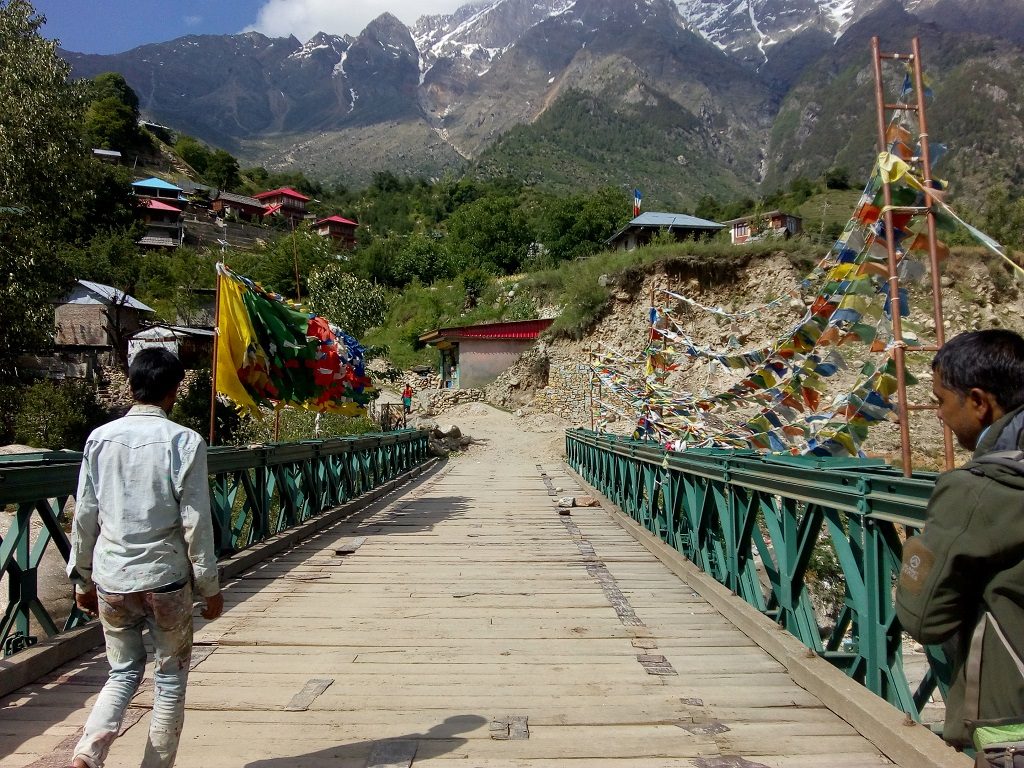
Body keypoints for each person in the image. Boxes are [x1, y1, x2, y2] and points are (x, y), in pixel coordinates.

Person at [67, 348, 223, 768]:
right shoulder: (185, 442)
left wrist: (81, 580)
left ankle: (88, 752)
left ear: (133, 384)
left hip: (113, 580)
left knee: (122, 672)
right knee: (169, 679)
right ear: (175, 389)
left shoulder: (99, 439)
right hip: (166, 580)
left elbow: (84, 514)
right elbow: (195, 522)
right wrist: (208, 586)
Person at [896, 329, 1024, 766]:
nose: (936, 413)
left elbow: (924, 618)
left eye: (939, 399)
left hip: (1012, 726)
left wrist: (924, 549)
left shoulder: (978, 492)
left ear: (978, 401)